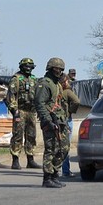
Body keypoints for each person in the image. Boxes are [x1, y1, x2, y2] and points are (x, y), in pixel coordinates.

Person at [34, 57, 70, 188]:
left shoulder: (57, 84)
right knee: (51, 149)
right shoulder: (45, 83)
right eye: (56, 68)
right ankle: (47, 178)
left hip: (60, 120)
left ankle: (55, 174)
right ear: (50, 68)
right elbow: (39, 103)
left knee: (63, 148)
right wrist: (48, 120)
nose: (59, 71)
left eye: (61, 69)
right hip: (49, 121)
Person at [5, 58, 41, 170]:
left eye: (30, 66)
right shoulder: (16, 79)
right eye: (26, 66)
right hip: (20, 110)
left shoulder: (34, 79)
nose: (28, 68)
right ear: (21, 66)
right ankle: (15, 160)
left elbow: (38, 96)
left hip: (31, 111)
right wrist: (14, 111)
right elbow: (11, 96)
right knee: (17, 135)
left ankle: (30, 160)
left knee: (31, 135)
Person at [59, 74, 80, 178]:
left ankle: (53, 170)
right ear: (65, 81)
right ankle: (66, 171)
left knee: (56, 146)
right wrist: (71, 111)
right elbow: (77, 101)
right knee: (66, 146)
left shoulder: (55, 91)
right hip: (66, 120)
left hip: (56, 120)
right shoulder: (67, 91)